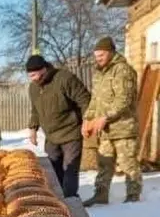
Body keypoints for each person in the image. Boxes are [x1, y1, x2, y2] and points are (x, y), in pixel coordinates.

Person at [82, 36, 141, 206]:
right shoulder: (99, 73)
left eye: (101, 55)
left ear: (111, 52)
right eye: (96, 56)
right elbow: (95, 100)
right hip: (105, 129)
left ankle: (133, 196)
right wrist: (88, 119)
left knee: (128, 163)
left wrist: (105, 117)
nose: (97, 59)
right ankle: (100, 195)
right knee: (104, 163)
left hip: (123, 128)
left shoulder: (123, 70)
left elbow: (124, 99)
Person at [26, 54, 91, 198]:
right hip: (51, 136)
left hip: (70, 132)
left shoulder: (64, 78)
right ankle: (57, 200)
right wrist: (33, 128)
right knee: (53, 170)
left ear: (44, 69)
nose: (34, 79)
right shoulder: (33, 88)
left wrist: (87, 120)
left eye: (35, 74)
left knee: (70, 169)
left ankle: (70, 201)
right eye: (30, 76)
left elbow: (85, 99)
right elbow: (35, 109)